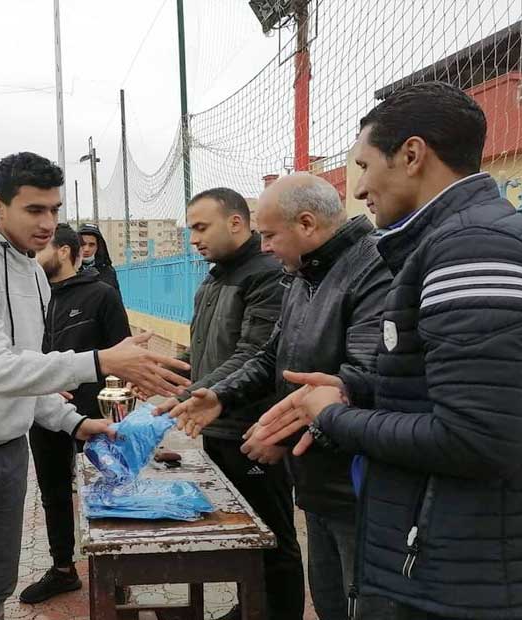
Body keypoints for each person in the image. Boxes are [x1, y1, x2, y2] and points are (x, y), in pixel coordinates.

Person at [251, 82, 522, 620]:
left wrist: (333, 416)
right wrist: (354, 387)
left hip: (480, 579)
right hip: (465, 564)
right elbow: (444, 386)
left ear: (411, 155)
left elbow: (477, 438)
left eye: (364, 165)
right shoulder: (452, 241)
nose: (358, 191)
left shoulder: (474, 249)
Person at [0, 151, 191, 620]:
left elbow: (24, 370)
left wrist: (74, 422)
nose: (48, 222)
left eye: (54, 209)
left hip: (6, 449)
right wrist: (100, 360)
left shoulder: (32, 271)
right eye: (35, 209)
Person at [164, 175, 392, 619]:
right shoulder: (304, 275)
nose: (265, 246)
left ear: (306, 224)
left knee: (362, 602)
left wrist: (284, 433)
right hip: (316, 479)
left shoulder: (371, 270)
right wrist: (218, 395)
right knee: (329, 601)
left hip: (356, 482)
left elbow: (362, 381)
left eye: (269, 235)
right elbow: (272, 356)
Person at [149, 187, 302, 620]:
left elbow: (253, 355)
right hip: (216, 427)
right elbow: (205, 352)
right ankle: (250, 609)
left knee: (272, 539)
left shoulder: (267, 274)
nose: (193, 239)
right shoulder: (215, 277)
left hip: (252, 431)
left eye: (200, 227)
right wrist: (166, 374)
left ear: (236, 222)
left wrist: (184, 397)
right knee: (243, 539)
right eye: (189, 230)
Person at [18, 223, 132, 604]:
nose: (34, 254)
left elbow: (122, 356)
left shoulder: (102, 294)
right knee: (53, 493)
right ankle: (63, 569)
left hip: (94, 414)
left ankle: (118, 571)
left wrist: (119, 415)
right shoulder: (29, 297)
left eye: (42, 246)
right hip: (43, 410)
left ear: (65, 251)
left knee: (108, 489)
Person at [78, 222, 121, 293]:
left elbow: (116, 301)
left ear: (98, 247)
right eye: (82, 244)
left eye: (91, 245)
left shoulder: (108, 272)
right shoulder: (69, 271)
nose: (86, 249)